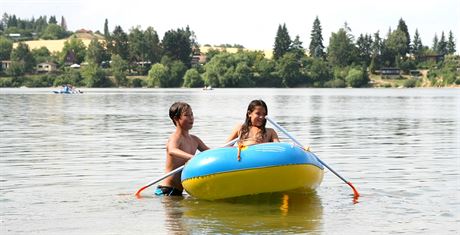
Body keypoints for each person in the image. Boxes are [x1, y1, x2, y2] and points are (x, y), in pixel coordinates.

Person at [155, 102, 209, 196]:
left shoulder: (195, 140)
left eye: (192, 114)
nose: (191, 117)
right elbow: (172, 150)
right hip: (166, 190)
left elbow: (210, 153)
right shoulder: (175, 137)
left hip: (179, 192)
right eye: (187, 115)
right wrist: (193, 157)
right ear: (176, 119)